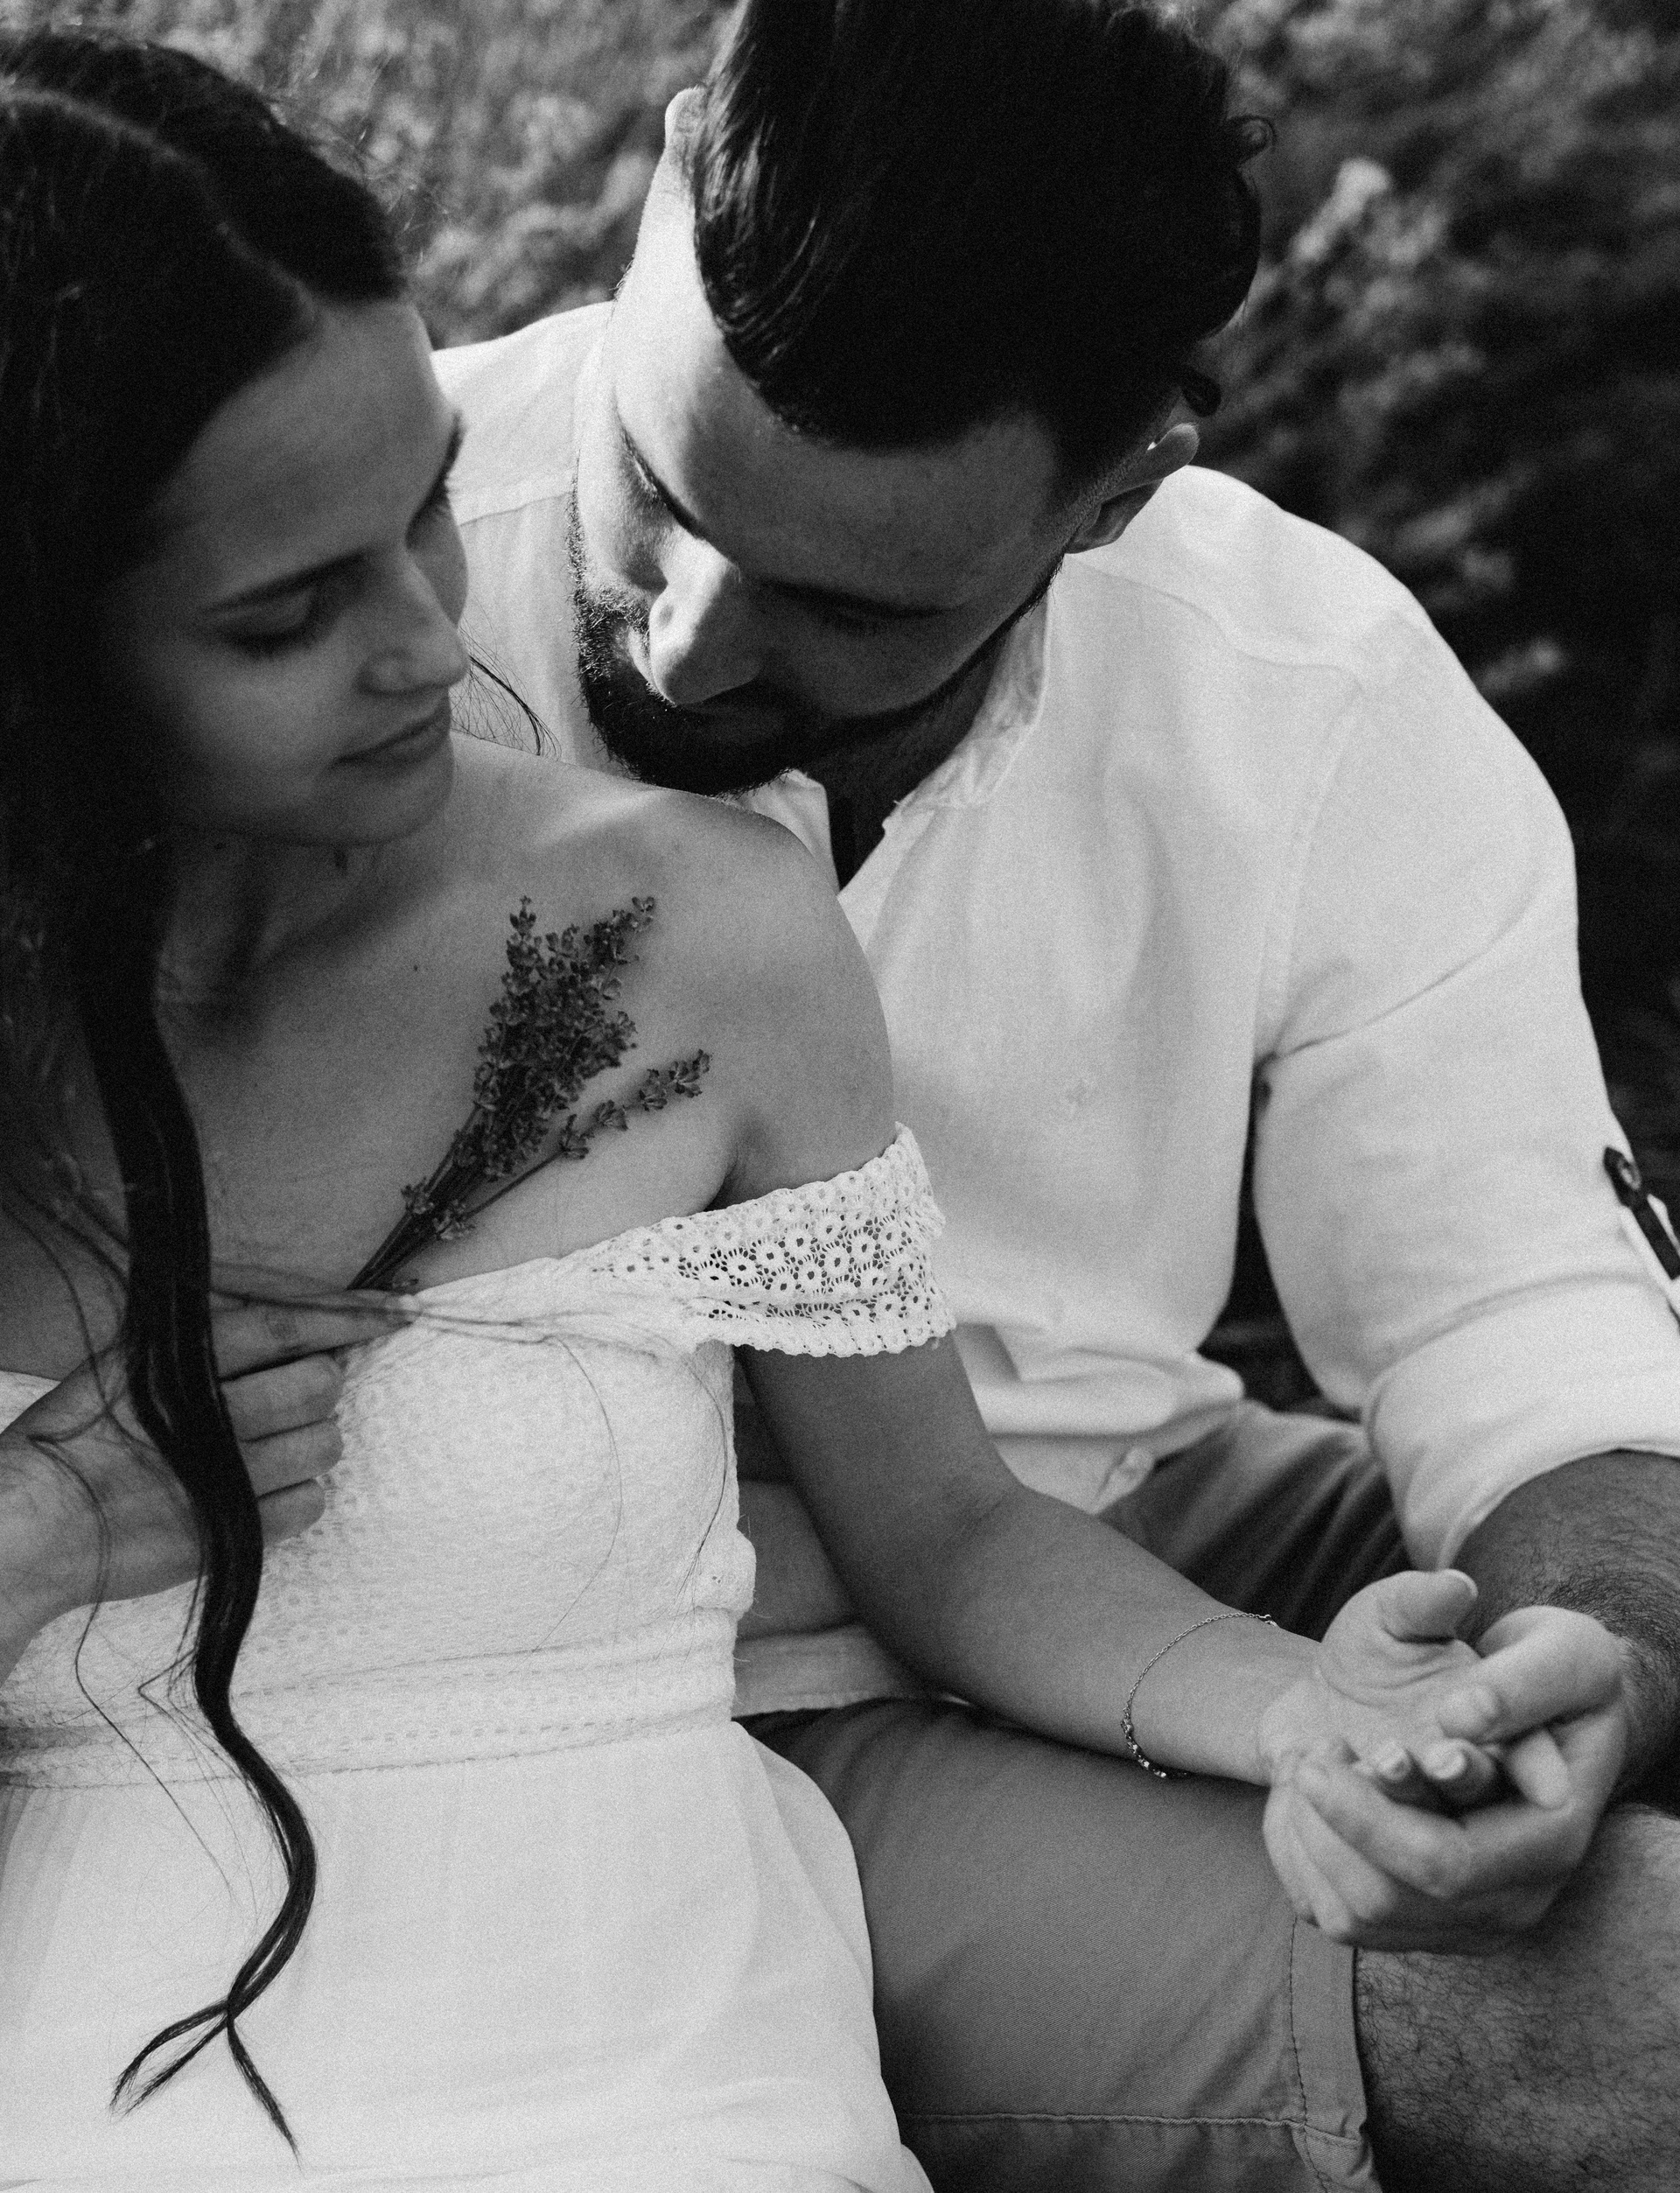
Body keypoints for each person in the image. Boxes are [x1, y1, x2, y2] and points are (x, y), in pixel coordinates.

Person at [0, 27, 1575, 2189]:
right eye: (289, 611)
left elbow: (975, 1527)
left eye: (429, 507)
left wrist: (1335, 1710)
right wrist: (34, 1533)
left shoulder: (712, 923)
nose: (434, 637)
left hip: (683, 2021)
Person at [432, 2, 1680, 2189]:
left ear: (1117, 495)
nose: (692, 639)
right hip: (687, 1702)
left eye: (845, 604)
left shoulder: (1304, 681)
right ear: (659, 190)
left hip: (1119, 1525)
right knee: (1639, 2011)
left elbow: (1520, 1314)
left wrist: (1582, 1669)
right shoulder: (321, 600)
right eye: (661, 494)